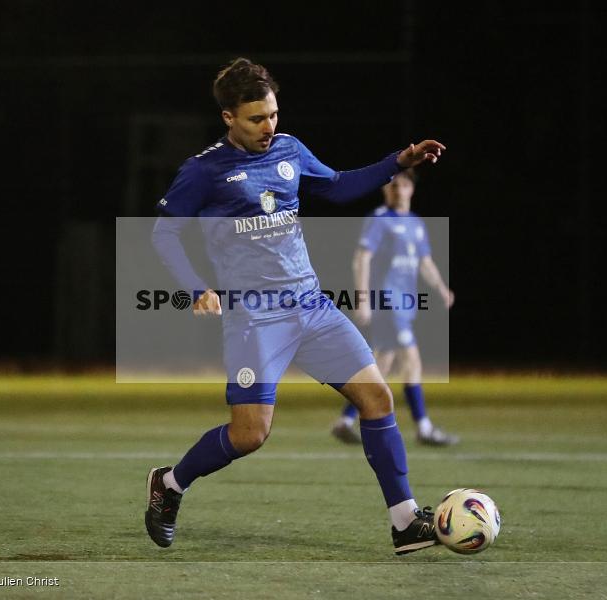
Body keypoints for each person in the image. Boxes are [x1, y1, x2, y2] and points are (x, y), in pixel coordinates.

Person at [146, 57, 446, 555]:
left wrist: (399, 161)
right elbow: (164, 234)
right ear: (228, 118)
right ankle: (170, 484)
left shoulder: (289, 149)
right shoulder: (203, 171)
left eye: (273, 114)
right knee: (250, 434)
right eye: (256, 118)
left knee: (377, 400)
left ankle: (404, 522)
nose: (269, 127)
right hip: (255, 318)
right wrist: (197, 285)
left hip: (311, 306)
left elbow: (337, 185)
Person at [330, 170, 459, 446]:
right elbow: (361, 259)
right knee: (412, 361)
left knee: (381, 366)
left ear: (411, 189)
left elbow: (424, 262)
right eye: (391, 186)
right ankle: (424, 428)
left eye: (402, 185)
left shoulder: (414, 223)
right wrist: (363, 298)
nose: (397, 190)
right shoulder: (380, 220)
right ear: (384, 191)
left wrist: (440, 288)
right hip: (388, 302)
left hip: (405, 304)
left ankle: (345, 421)